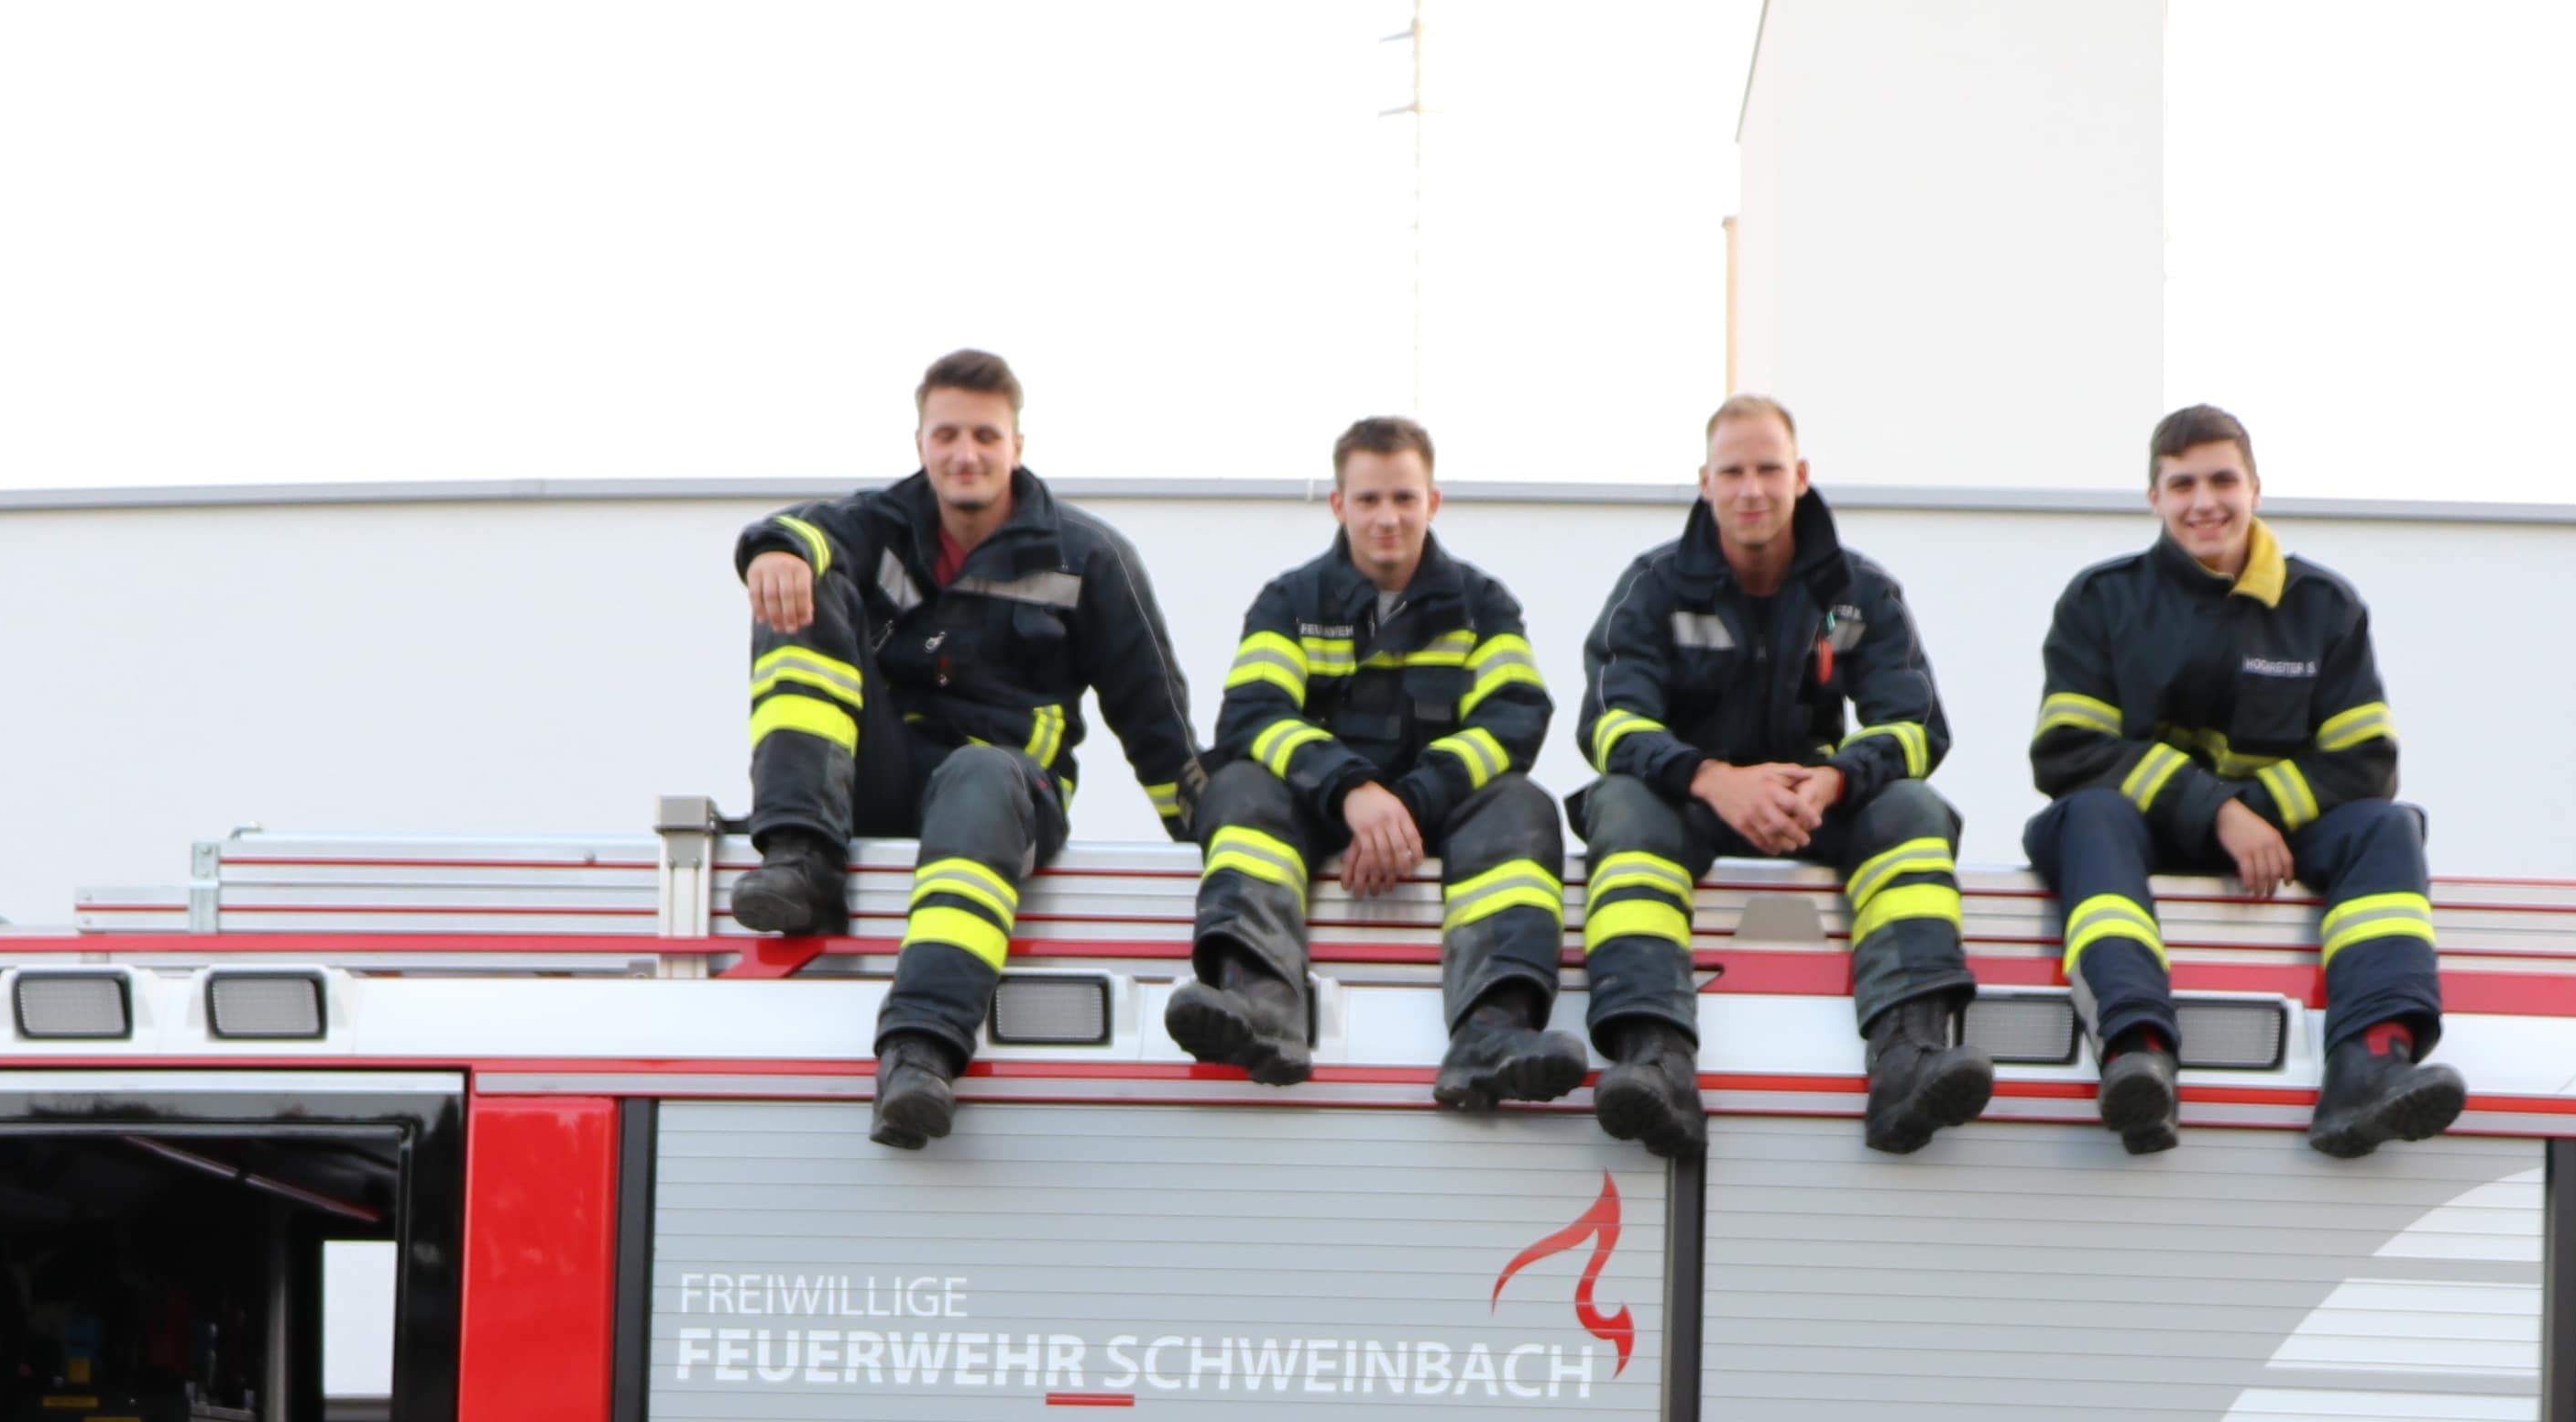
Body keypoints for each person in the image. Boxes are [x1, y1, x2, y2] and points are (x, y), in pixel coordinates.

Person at [729, 349, 1203, 1150]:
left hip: (1006, 791)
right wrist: (772, 548)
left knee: (978, 774)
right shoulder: (876, 525)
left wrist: (1238, 859)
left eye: (986, 435)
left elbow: (1160, 732)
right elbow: (804, 526)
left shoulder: (1089, 557)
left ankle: (921, 1053)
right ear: (919, 441)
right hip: (883, 783)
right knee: (800, 583)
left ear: (1018, 443)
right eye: (947, 434)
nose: (965, 453)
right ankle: (801, 859)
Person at [2024, 404, 2459, 1162]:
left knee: (2390, 826)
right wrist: (2217, 812)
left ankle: (2371, 1065)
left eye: (2223, 479)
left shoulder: (2323, 606)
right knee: (2087, 814)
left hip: (2279, 840)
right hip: (2133, 834)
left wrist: (2253, 815)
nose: (2204, 502)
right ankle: (2138, 1052)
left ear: (2256, 487)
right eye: (2182, 483)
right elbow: (2067, 750)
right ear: (2153, 498)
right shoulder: (2102, 600)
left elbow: (2366, 763)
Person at [1571, 395, 1988, 1162]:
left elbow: (1915, 726)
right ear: (1704, 482)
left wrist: (1835, 782)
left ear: (1800, 476)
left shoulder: (1856, 596)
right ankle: (1654, 1061)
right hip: (1688, 804)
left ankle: (1910, 1061)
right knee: (1622, 807)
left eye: (1769, 468)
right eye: (1733, 471)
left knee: (1913, 808)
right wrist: (1712, 778)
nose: (1751, 487)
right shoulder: (1654, 587)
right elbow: (1609, 724)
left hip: (1815, 801)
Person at [1167, 416, 1587, 1115]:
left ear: (1433, 501)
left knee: (1523, 805)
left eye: (1404, 497)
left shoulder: (1483, 607)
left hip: (1438, 818)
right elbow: (1253, 716)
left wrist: (1409, 806)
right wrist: (1353, 792)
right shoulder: (1288, 602)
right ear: (1339, 504)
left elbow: (1513, 719)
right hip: (1321, 813)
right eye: (1368, 499)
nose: (1387, 517)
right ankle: (1263, 1007)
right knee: (1238, 784)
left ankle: (1493, 1035)